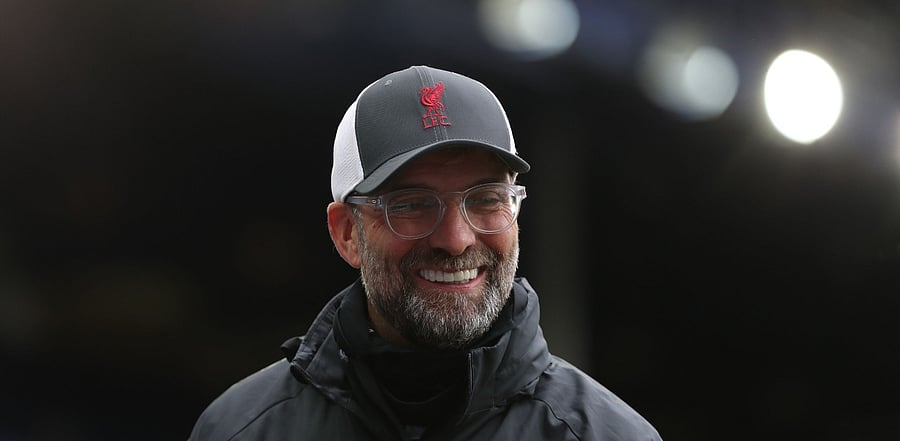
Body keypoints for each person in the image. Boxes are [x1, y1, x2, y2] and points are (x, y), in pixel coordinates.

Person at [188, 65, 662, 441]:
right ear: (346, 233)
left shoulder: (608, 435)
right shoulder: (239, 430)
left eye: (485, 199)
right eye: (411, 205)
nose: (455, 240)